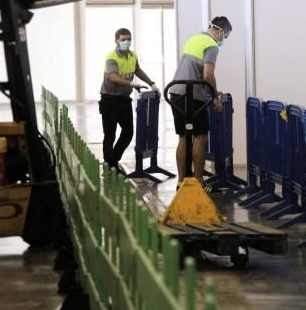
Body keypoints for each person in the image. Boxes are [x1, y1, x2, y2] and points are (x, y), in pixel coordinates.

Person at [169, 16, 232, 191]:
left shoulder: (195, 38)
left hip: (176, 92)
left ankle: (182, 181)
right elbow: (208, 75)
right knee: (201, 136)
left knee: (183, 137)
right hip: (191, 95)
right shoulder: (211, 45)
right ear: (220, 31)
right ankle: (198, 182)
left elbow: (194, 71)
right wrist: (214, 98)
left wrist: (211, 90)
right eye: (224, 37)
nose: (223, 40)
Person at [99, 27, 160, 173]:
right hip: (110, 99)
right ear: (116, 41)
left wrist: (152, 83)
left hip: (124, 100)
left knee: (128, 132)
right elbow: (113, 76)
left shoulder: (132, 55)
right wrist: (131, 83)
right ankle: (110, 165)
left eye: (128, 39)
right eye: (123, 39)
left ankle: (112, 160)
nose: (126, 42)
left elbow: (137, 70)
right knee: (110, 134)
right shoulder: (111, 57)